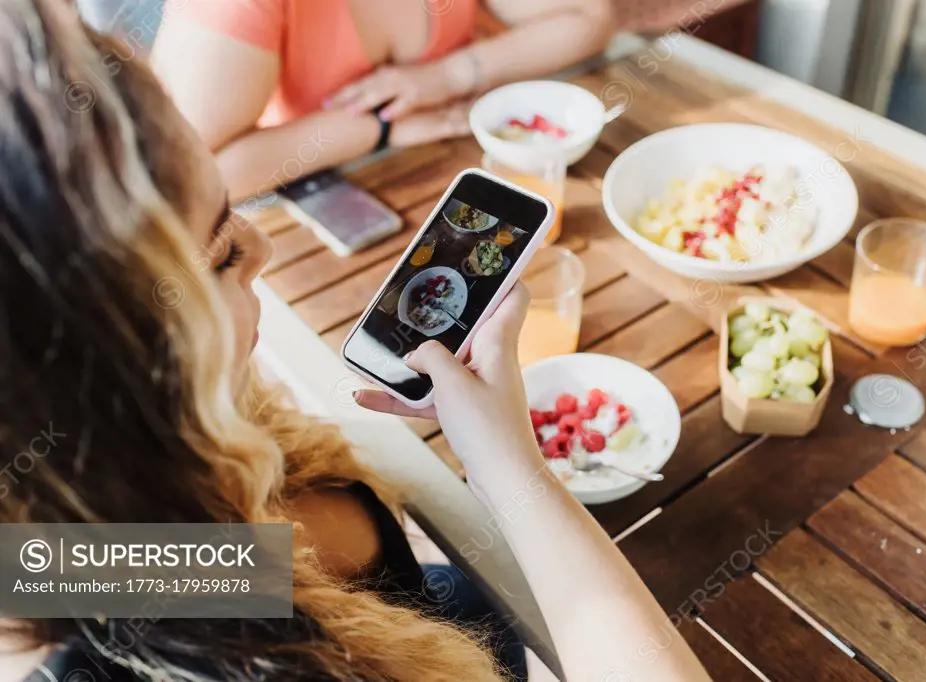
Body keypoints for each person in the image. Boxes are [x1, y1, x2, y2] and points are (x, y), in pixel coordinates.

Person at [0, 2, 710, 681]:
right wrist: (510, 472)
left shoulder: (73, 553)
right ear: (104, 377)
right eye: (219, 254)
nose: (259, 248)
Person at [150, 0, 615, 201]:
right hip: (300, 220)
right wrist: (380, 125)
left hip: (450, 175)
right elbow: (184, 176)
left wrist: (446, 75)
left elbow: (589, 17)